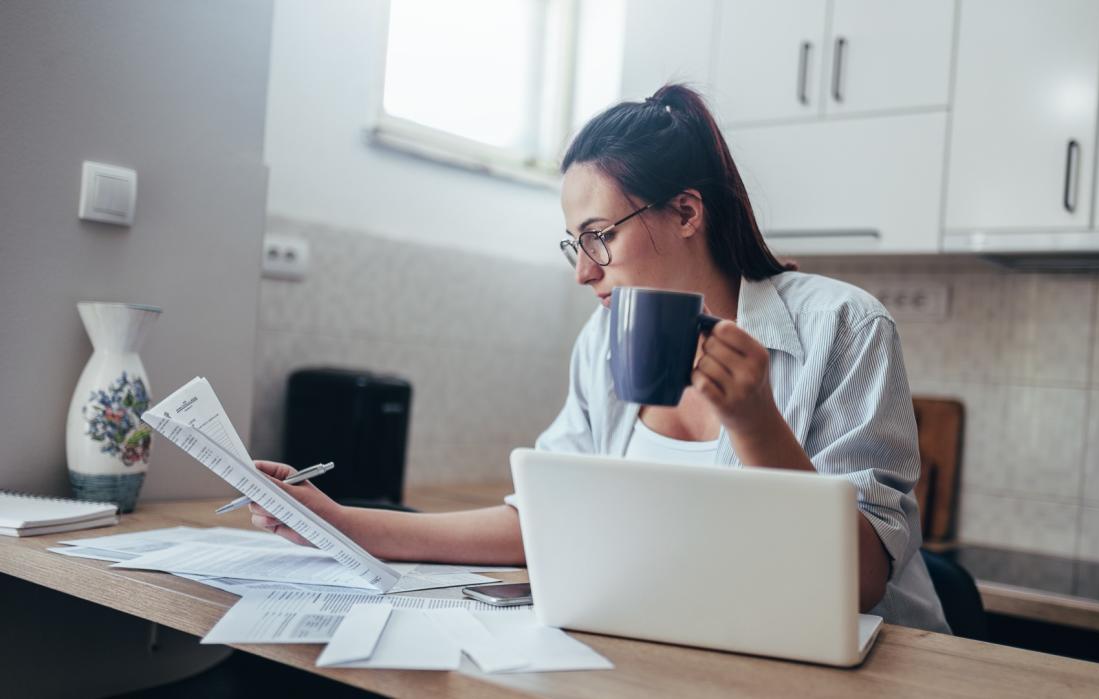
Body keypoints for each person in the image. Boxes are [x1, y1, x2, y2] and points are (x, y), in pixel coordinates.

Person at [251, 83, 949, 633]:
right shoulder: (603, 343)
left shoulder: (845, 327)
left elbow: (859, 579)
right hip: (694, 652)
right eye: (572, 242)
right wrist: (336, 521)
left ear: (684, 213)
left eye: (599, 235)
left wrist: (757, 422)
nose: (584, 272)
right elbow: (545, 520)